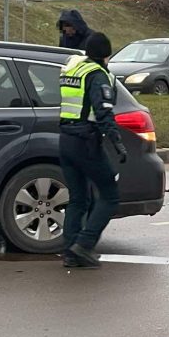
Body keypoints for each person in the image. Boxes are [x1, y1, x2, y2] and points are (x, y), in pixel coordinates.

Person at [58, 32, 127, 269]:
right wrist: (116, 140)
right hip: (86, 141)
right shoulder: (97, 75)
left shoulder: (73, 70)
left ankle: (69, 251)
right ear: (105, 55)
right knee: (110, 195)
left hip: (65, 140)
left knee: (78, 198)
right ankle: (84, 245)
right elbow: (103, 110)